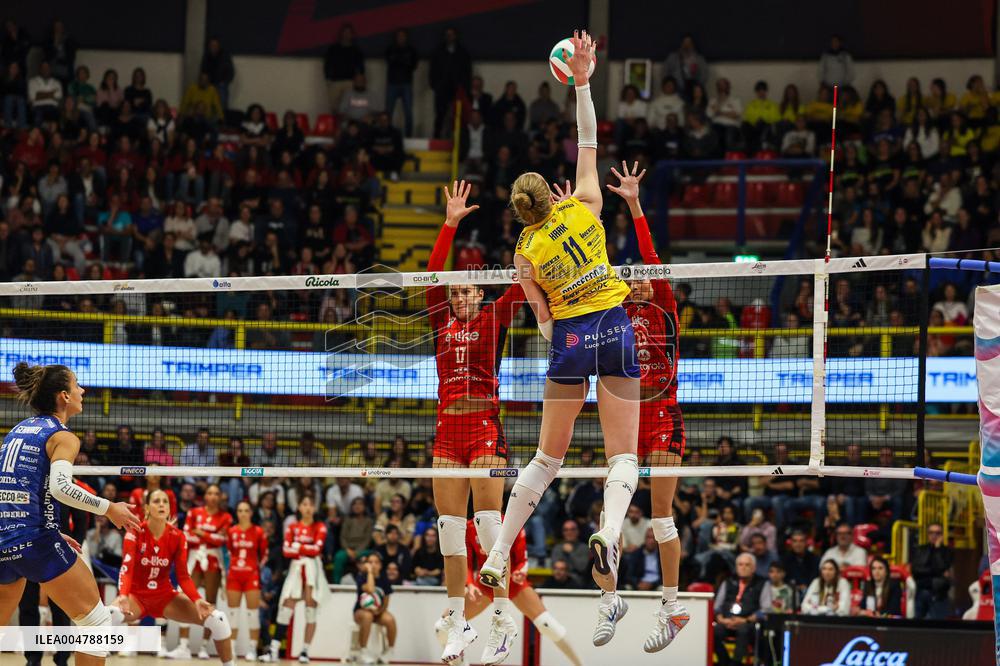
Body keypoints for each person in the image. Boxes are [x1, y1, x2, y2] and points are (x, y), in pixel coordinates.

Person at [480, 32, 641, 650]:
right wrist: (582, 80)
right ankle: (609, 528)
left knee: (548, 459)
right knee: (621, 457)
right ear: (555, 192)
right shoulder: (588, 207)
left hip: (570, 336)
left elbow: (542, 321)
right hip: (614, 326)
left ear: (522, 212)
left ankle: (498, 552)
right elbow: (590, 139)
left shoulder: (524, 251)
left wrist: (557, 328)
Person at [428, 179, 525, 663]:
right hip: (447, 431)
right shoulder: (439, 319)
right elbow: (429, 272)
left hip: (484, 427)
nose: (460, 295)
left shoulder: (494, 316)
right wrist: (449, 223)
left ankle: (504, 618)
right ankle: (457, 623)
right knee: (449, 530)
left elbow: (524, 282)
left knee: (489, 527)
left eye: (467, 289)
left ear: (480, 293)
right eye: (455, 290)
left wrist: (549, 222)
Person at [0, 362, 138, 666]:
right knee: (97, 625)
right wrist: (109, 507)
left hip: (5, 540)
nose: (83, 391)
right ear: (63, 396)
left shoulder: (16, 431)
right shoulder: (63, 436)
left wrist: (47, 524)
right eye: (77, 385)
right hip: (35, 542)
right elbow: (62, 489)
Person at [606, 161, 689, 651]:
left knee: (662, 519)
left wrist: (634, 204)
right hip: (625, 420)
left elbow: (651, 257)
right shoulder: (614, 315)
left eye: (641, 277)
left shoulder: (662, 305)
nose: (637, 282)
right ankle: (609, 600)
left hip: (663, 416)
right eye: (629, 278)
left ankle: (673, 608)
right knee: (609, 514)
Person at [435, 517, 582, 666]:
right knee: (442, 626)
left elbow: (522, 559)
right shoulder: (470, 527)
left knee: (548, 625)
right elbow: (464, 561)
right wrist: (470, 584)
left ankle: (580, 664)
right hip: (484, 585)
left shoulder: (511, 521)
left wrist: (520, 572)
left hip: (512, 582)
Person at [113, 490, 234, 666]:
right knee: (106, 617)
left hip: (165, 597)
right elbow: (127, 567)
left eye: (165, 502)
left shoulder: (178, 536)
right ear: (147, 508)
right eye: (156, 501)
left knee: (218, 619)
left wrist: (197, 600)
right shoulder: (135, 531)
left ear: (169, 509)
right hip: (136, 597)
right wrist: (123, 595)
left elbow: (183, 576)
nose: (161, 504)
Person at [268, 495, 329, 663]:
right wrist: (304, 549)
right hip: (296, 569)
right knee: (286, 608)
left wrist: (298, 546)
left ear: (315, 508)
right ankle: (273, 649)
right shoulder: (292, 527)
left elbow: (317, 550)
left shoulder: (320, 526)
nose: (308, 507)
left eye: (311, 504)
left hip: (312, 570)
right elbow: (286, 551)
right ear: (299, 507)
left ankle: (305, 651)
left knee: (311, 610)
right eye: (304, 503)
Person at [175, 483, 233, 659]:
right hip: (194, 557)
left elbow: (221, 540)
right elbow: (187, 536)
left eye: (216, 493)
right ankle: (183, 645)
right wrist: (207, 536)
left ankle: (204, 646)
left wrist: (201, 534)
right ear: (205, 496)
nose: (213, 496)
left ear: (221, 497)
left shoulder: (226, 517)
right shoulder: (194, 512)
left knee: (209, 601)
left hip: (213, 559)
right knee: (185, 598)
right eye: (210, 493)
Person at [226, 500, 268, 661]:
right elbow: (229, 551)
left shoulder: (258, 531)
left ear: (251, 513)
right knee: (233, 614)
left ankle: (252, 649)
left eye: (246, 510)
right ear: (237, 513)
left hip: (251, 576)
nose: (243, 513)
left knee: (253, 614)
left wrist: (255, 568)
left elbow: (264, 554)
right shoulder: (232, 531)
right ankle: (231, 648)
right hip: (234, 575)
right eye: (240, 510)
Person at [713, 553, 765, 666]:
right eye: (740, 564)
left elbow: (765, 609)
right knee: (713, 631)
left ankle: (736, 663)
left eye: (747, 565)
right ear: (736, 567)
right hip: (726, 621)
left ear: (754, 568)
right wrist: (721, 619)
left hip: (748, 623)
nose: (743, 567)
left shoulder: (762, 583)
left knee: (743, 630)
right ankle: (724, 662)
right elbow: (717, 606)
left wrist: (746, 620)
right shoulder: (728, 582)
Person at [353, 553, 397, 665]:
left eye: (376, 562)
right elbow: (371, 589)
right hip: (361, 611)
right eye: (370, 562)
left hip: (378, 612)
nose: (373, 564)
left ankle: (389, 650)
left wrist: (379, 611)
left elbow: (386, 600)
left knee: (390, 620)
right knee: (368, 616)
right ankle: (363, 650)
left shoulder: (384, 579)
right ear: (366, 564)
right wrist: (370, 573)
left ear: (380, 565)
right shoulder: (361, 577)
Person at [911, 522, 953, 619]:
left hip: (939, 594)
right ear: (927, 534)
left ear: (942, 535)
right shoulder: (920, 549)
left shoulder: (947, 551)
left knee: (937, 627)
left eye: (937, 533)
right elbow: (916, 570)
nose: (934, 535)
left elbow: (943, 567)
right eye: (931, 532)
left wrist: (937, 550)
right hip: (921, 591)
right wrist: (938, 572)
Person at [384, 28, 417, 136]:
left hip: (406, 83)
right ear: (396, 38)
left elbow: (413, 65)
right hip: (392, 83)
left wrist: (399, 60)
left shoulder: (411, 50)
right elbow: (389, 61)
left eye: (403, 36)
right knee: (388, 112)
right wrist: (404, 61)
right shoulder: (390, 49)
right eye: (399, 36)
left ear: (406, 37)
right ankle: (387, 134)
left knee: (408, 112)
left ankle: (409, 136)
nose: (400, 38)